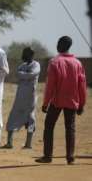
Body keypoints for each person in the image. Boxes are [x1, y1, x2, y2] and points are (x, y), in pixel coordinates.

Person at [35, 36, 87, 165]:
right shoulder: (77, 63)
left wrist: (45, 102)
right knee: (70, 128)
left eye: (59, 43)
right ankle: (70, 157)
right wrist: (81, 104)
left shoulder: (55, 62)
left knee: (49, 126)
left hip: (57, 101)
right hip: (72, 100)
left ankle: (48, 156)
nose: (57, 45)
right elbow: (82, 85)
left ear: (62, 45)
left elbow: (50, 85)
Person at [2, 47, 40, 149]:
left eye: (26, 54)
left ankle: (28, 144)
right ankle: (9, 143)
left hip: (30, 97)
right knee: (12, 117)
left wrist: (23, 75)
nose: (24, 55)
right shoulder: (22, 65)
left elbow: (32, 74)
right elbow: (19, 74)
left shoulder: (36, 65)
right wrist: (25, 75)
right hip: (19, 97)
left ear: (31, 55)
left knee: (30, 119)